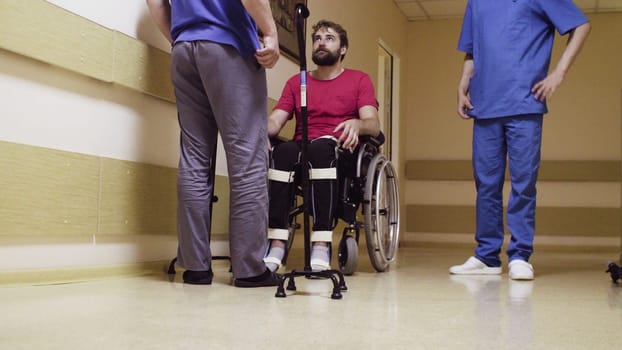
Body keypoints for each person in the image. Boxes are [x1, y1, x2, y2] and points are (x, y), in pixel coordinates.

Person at [450, 0, 591, 280]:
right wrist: (463, 82)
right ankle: (487, 256)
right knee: (486, 184)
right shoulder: (476, 2)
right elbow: (473, 49)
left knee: (523, 183)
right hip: (485, 103)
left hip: (525, 101)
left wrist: (558, 74)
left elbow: (581, 25)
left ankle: (520, 255)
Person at [146, 0, 281, 287]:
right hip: (227, 45)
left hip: (184, 50)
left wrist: (180, 36)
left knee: (194, 159)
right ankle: (249, 269)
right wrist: (270, 32)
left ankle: (195, 266)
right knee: (247, 159)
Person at [263, 20, 381, 272]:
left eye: (329, 38)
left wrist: (358, 124)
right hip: (303, 147)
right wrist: (260, 133)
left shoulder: (359, 80)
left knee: (322, 150)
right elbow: (276, 119)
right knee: (282, 153)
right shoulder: (297, 82)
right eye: (316, 38)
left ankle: (321, 242)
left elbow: (373, 124)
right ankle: (276, 242)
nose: (320, 42)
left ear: (343, 49)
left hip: (340, 149)